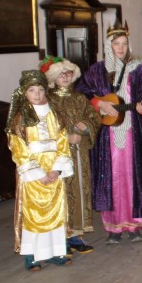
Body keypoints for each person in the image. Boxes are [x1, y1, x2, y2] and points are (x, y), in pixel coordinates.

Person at [76, 20, 142, 244]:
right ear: (108, 45)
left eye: (124, 43)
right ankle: (113, 228)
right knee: (110, 177)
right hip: (106, 136)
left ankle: (134, 224)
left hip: (132, 132)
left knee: (133, 176)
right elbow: (81, 94)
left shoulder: (137, 70)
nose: (120, 48)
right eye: (116, 44)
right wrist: (99, 104)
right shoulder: (96, 71)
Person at [7, 70, 74, 271]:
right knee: (34, 212)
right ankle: (32, 254)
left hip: (53, 170)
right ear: (24, 93)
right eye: (31, 90)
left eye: (41, 89)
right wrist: (37, 173)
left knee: (55, 211)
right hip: (35, 173)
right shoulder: (20, 118)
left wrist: (56, 170)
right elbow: (18, 147)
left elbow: (62, 142)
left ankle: (55, 251)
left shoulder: (55, 114)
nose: (37, 94)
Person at [41, 56, 101, 255]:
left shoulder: (79, 98)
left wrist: (85, 126)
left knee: (80, 189)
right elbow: (45, 126)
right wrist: (66, 137)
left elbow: (93, 117)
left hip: (79, 153)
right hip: (58, 154)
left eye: (68, 73)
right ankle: (61, 238)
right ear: (53, 77)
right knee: (62, 192)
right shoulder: (48, 100)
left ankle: (76, 235)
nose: (65, 77)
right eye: (60, 74)